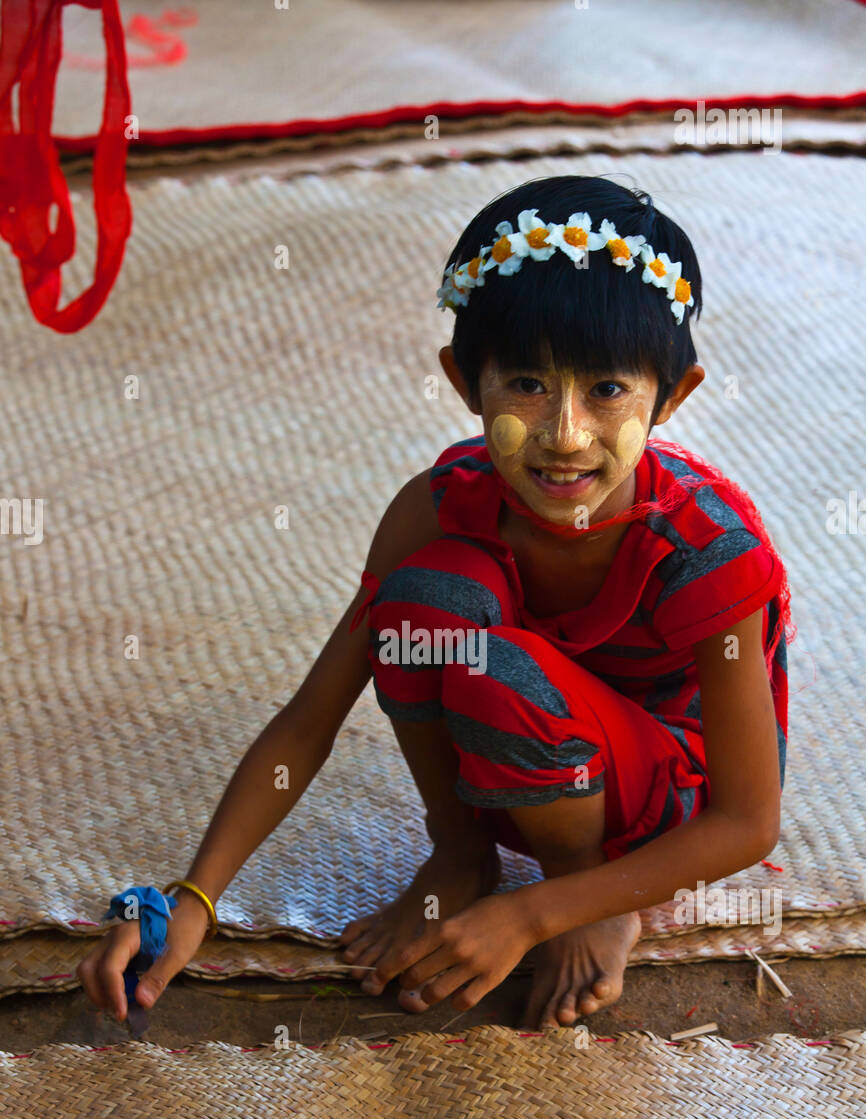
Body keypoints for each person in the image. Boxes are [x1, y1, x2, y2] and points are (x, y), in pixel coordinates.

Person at [79, 174, 792, 1030]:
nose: (565, 434)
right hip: (523, 755)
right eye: (526, 383)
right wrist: (193, 896)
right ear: (463, 381)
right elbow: (312, 717)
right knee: (422, 606)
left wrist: (538, 916)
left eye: (608, 391)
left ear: (672, 397)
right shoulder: (442, 505)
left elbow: (748, 822)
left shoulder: (705, 552)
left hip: (660, 809)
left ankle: (592, 895)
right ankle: (463, 857)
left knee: (504, 674)